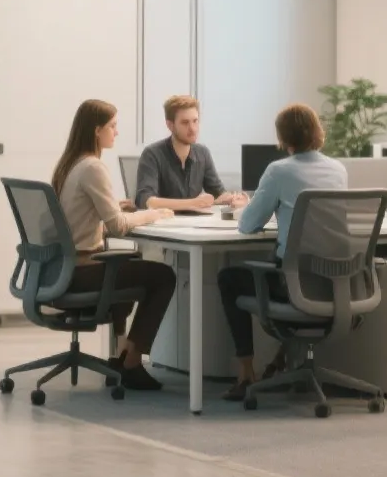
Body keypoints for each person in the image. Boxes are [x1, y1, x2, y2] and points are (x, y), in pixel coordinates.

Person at [217, 103, 348, 402]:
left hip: (291, 287)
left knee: (229, 277)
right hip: (335, 285)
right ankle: (280, 362)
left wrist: (255, 205)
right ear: (317, 131)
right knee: (280, 265)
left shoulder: (278, 171)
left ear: (282, 137)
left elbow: (248, 225)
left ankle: (245, 373)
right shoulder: (338, 170)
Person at [52, 100, 179, 392]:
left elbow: (81, 214)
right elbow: (118, 227)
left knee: (132, 265)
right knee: (162, 276)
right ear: (97, 131)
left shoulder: (70, 164)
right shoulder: (93, 167)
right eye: (112, 126)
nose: (116, 132)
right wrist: (152, 213)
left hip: (63, 268)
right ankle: (132, 362)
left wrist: (113, 206)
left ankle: (120, 355)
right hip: (81, 269)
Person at [133, 94, 249, 213]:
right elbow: (146, 201)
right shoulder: (152, 154)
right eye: (185, 123)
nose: (193, 128)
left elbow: (218, 193)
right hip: (162, 226)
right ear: (170, 125)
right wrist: (194, 203)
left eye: (195, 121)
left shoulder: (202, 153)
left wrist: (232, 199)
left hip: (194, 227)